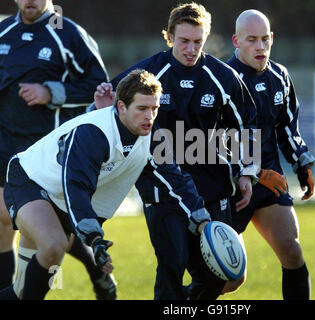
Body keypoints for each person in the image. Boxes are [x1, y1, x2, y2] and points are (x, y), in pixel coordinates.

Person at [95, 2, 281, 300]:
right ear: (169, 36)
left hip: (213, 189)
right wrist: (102, 108)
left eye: (198, 42)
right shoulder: (148, 74)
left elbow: (246, 124)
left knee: (222, 276)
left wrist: (247, 173)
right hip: (163, 191)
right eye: (183, 41)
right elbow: (112, 108)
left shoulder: (223, 78)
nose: (191, 49)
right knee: (172, 265)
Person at [0, 69, 212, 300]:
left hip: (60, 197)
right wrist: (94, 238)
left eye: (154, 109)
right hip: (30, 179)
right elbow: (77, 184)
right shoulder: (93, 132)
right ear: (121, 107)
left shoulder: (152, 136)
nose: (149, 116)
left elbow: (177, 181)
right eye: (142, 108)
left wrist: (203, 222)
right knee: (54, 245)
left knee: (22, 291)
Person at [0, 0, 115, 299]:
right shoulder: (3, 32)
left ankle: (93, 270)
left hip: (48, 156)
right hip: (5, 151)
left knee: (50, 235)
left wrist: (50, 92)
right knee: (5, 221)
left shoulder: (69, 34)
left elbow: (101, 87)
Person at [225, 10, 314, 300]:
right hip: (228, 187)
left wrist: (302, 162)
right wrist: (253, 172)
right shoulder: (222, 80)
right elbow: (210, 142)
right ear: (237, 41)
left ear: (272, 39)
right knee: (230, 277)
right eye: (252, 40)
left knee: (292, 250)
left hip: (269, 182)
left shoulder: (280, 76)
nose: (260, 47)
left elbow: (287, 128)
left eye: (265, 39)